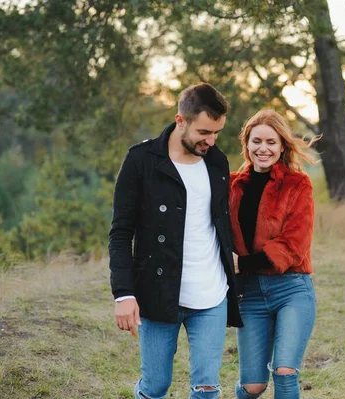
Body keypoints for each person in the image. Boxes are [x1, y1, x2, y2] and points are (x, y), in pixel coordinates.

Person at [108, 83, 242, 399]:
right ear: (180, 120)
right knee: (156, 387)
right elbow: (120, 233)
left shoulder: (217, 162)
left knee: (207, 389)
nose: (211, 141)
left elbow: (220, 222)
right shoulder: (141, 161)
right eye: (205, 132)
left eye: (217, 133)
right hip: (158, 293)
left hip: (211, 294)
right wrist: (123, 294)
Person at [229, 109, 318, 399]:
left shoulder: (297, 184)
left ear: (281, 146)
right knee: (252, 386)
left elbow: (294, 246)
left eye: (270, 142)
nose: (263, 148)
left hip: (291, 289)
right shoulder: (230, 185)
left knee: (284, 371)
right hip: (250, 295)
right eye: (256, 141)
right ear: (247, 144)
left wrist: (241, 263)